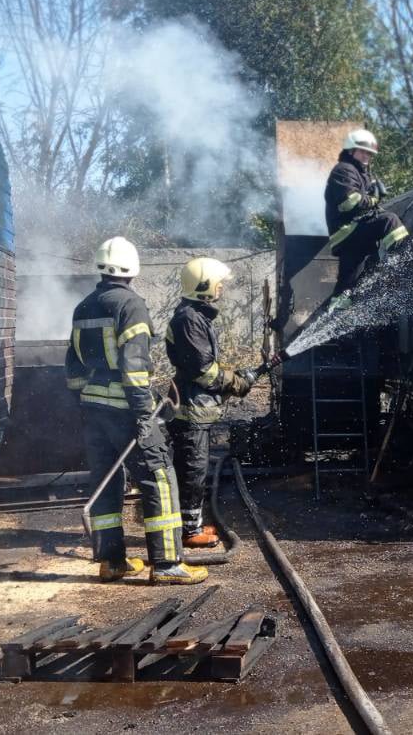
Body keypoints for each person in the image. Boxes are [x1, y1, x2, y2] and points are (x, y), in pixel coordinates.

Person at [65, 236, 208, 585]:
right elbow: (134, 368)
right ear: (133, 269)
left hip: (93, 407)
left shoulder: (83, 307)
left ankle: (111, 561)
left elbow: (72, 367)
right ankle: (167, 564)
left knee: (106, 480)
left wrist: (83, 403)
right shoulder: (131, 306)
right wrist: (145, 414)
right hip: (127, 410)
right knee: (158, 478)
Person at [164, 257, 254, 550]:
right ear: (204, 287)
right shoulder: (189, 319)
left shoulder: (194, 317)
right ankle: (190, 531)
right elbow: (203, 371)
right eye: (218, 284)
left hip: (196, 407)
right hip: (191, 410)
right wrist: (233, 382)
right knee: (193, 469)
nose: (221, 289)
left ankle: (192, 524)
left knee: (194, 467)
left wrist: (232, 378)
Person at [323, 128, 408, 312]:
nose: (367, 156)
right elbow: (349, 202)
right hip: (347, 230)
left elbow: (363, 201)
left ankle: (337, 308)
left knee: (347, 282)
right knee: (390, 221)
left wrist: (372, 193)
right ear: (351, 151)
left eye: (369, 153)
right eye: (363, 151)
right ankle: (403, 259)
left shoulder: (361, 174)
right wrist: (373, 198)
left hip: (352, 235)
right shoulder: (344, 170)